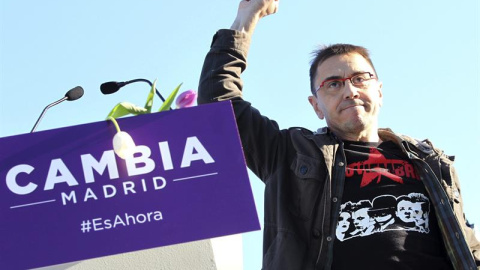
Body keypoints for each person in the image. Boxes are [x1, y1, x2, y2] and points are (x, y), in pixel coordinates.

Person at [197, 0, 480, 269]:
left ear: (379, 91)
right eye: (333, 84)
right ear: (315, 105)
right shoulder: (289, 154)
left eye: (360, 78)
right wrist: (247, 17)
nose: (350, 90)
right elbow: (218, 106)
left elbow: (467, 247)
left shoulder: (431, 162)